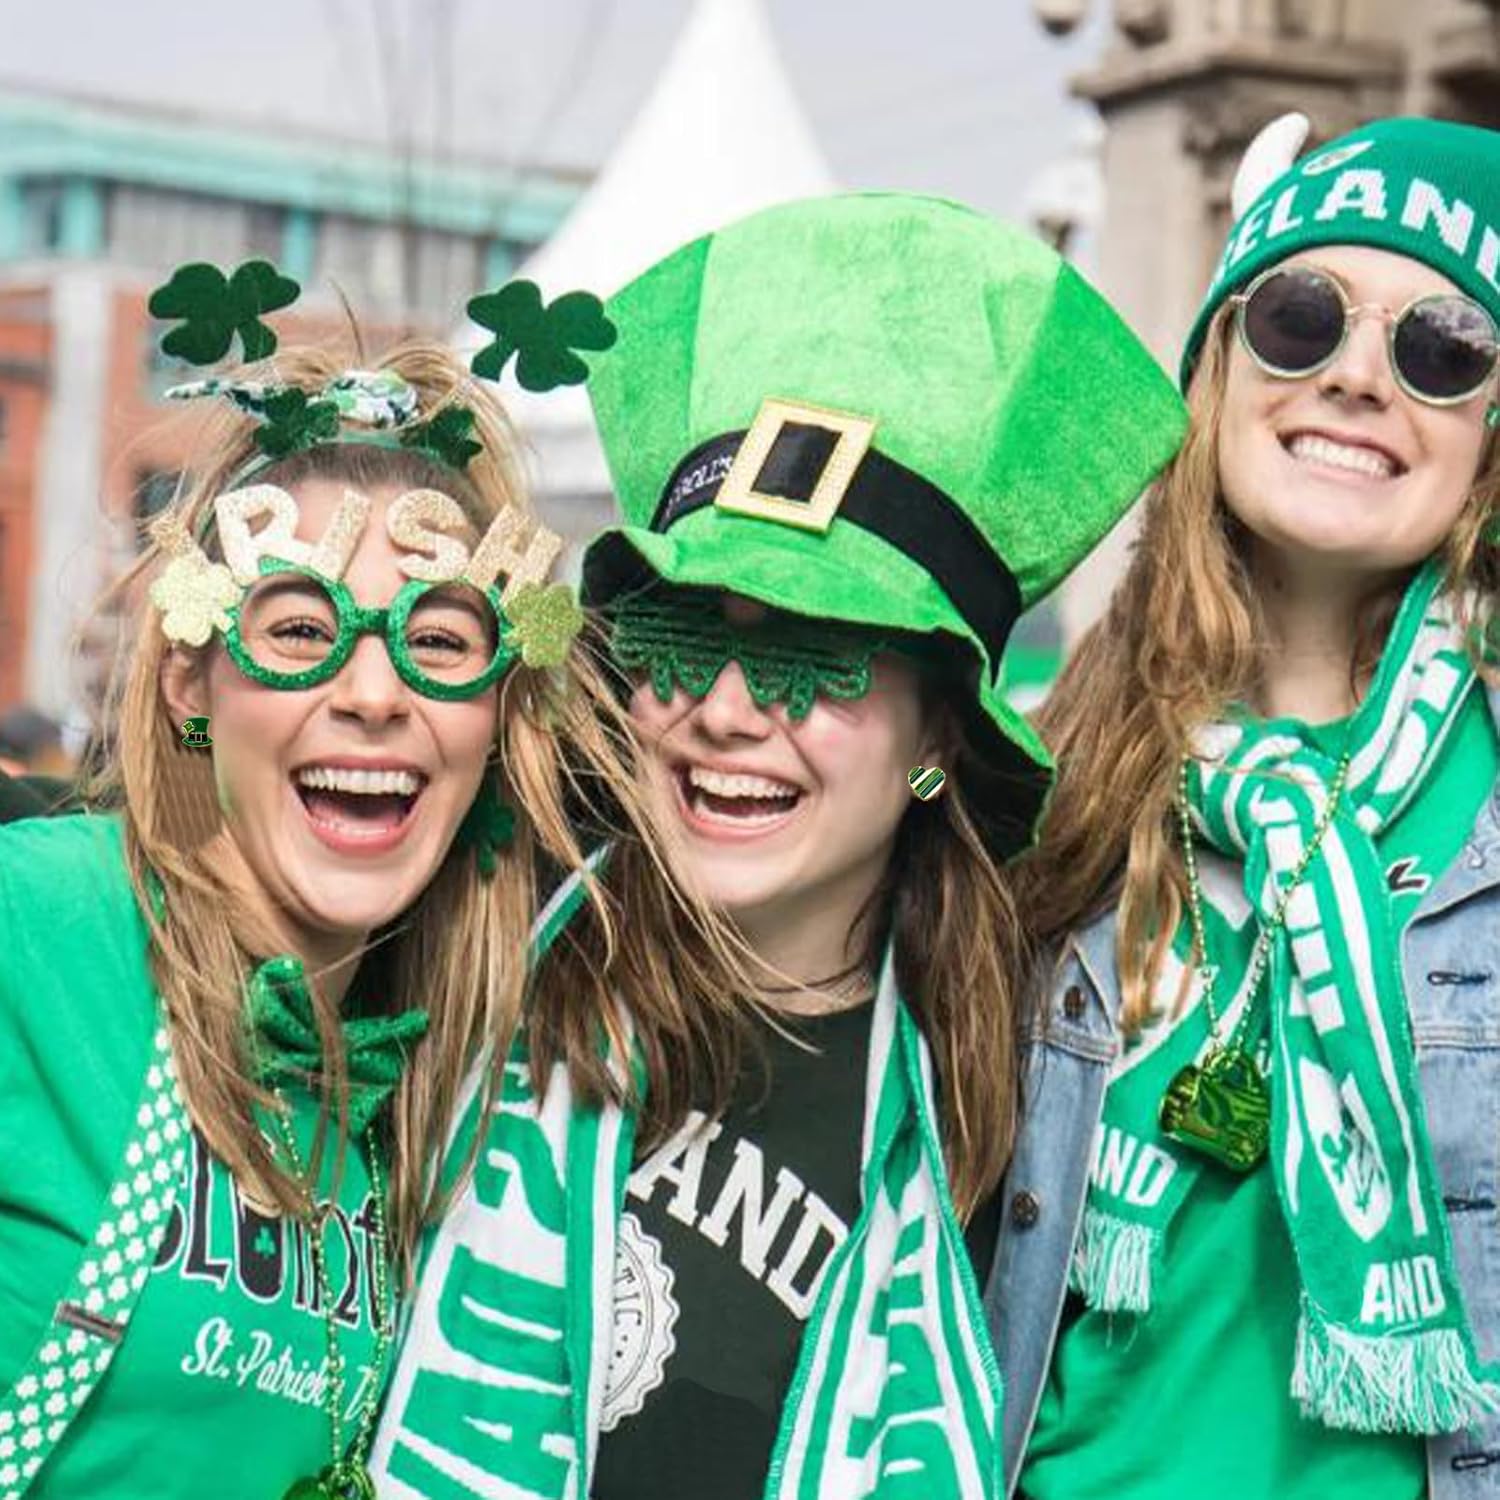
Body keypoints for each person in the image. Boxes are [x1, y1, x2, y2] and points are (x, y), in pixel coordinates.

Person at [371, 192, 1186, 1500]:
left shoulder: (1023, 1115)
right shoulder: (466, 948)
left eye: (812, 651)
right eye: (688, 635)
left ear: (941, 737)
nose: (729, 711)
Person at [0, 264, 744, 1498]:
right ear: (194, 684)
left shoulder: (432, 1084)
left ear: (500, 715)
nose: (373, 691)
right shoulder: (42, 925)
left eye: (441, 643)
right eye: (298, 631)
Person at [1001, 114, 1500, 1498]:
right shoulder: (1055, 775)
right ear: (1216, 370)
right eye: (1297, 318)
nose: (1352, 376)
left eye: (1441, 348)